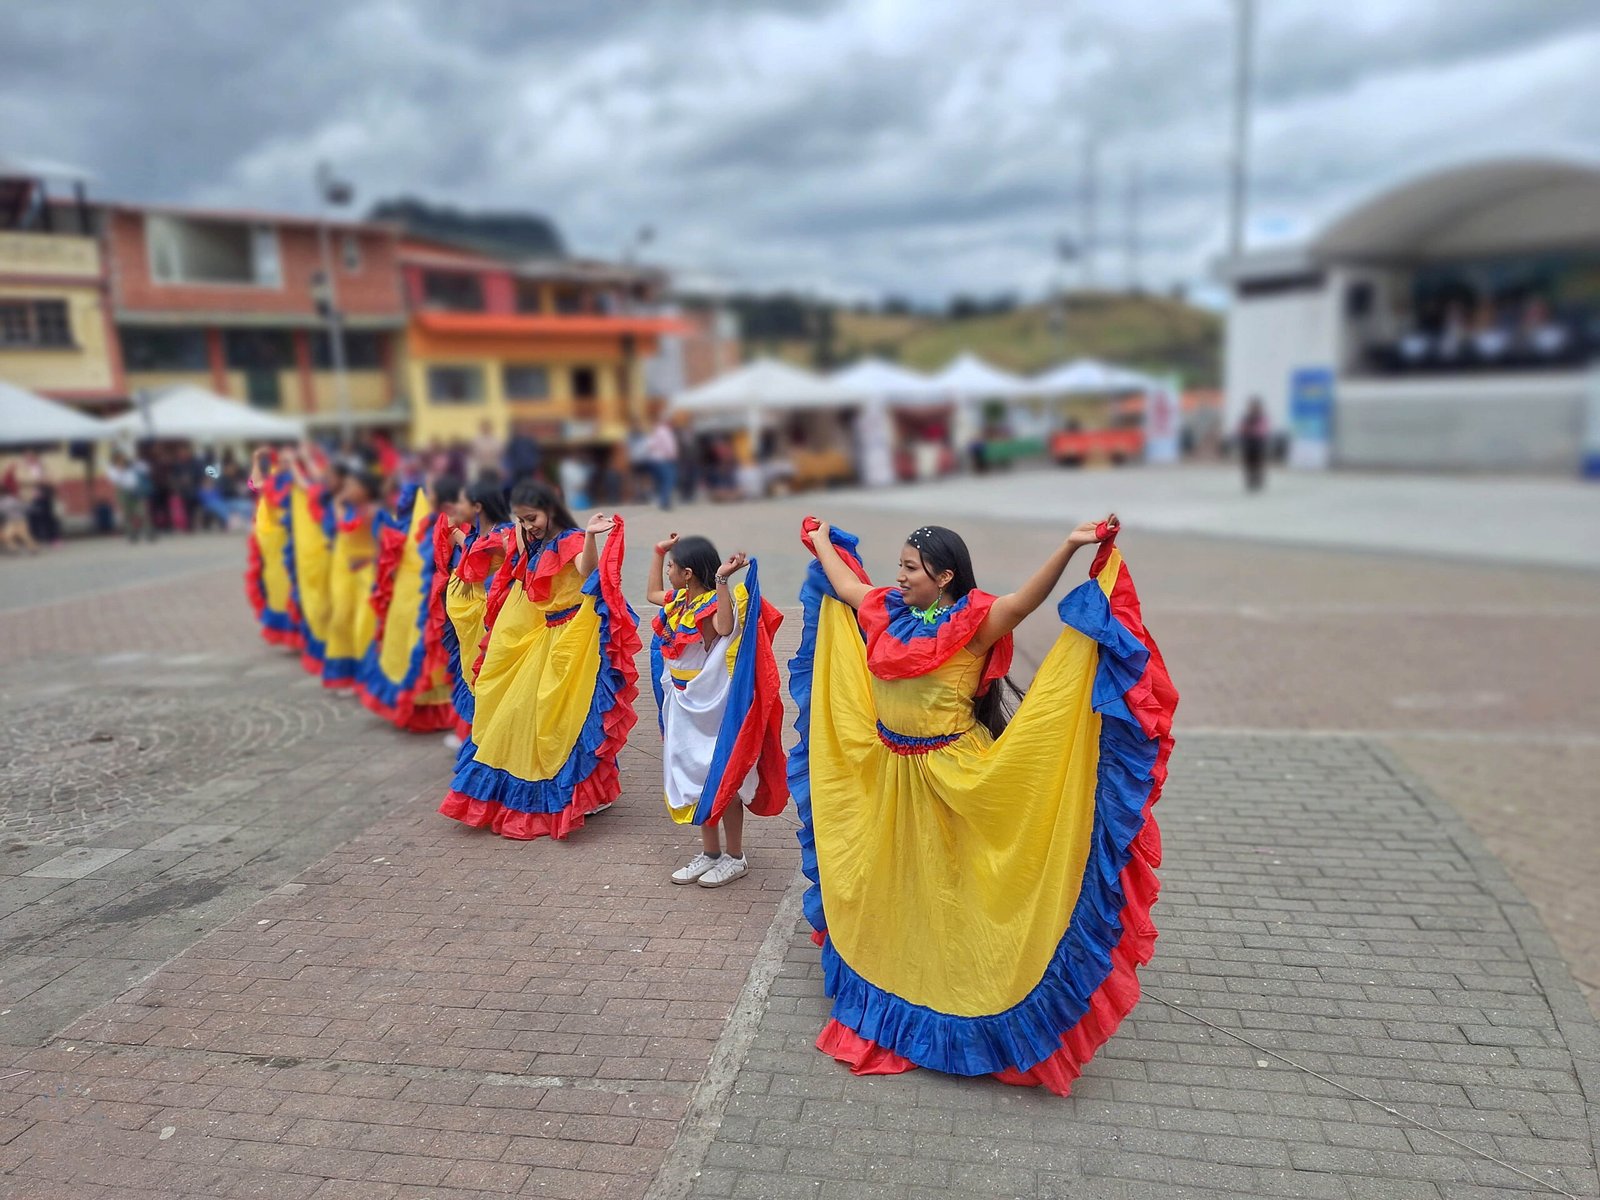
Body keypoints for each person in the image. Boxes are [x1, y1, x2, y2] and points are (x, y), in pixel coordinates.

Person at [789, 513, 1175, 1095]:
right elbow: (845, 587)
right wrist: (820, 540)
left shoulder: (973, 622)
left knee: (958, 887)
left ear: (944, 577)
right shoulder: (888, 612)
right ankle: (902, 977)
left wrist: (1070, 547)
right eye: (898, 566)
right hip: (892, 773)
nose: (899, 577)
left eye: (910, 569)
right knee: (902, 882)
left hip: (954, 776)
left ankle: (968, 994)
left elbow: (1024, 601)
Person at [439, 483, 639, 840]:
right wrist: (517, 524)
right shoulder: (532, 540)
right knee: (535, 714)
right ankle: (587, 793)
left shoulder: (572, 539)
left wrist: (592, 536)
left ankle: (585, 794)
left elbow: (586, 570)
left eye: (532, 517)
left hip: (575, 635)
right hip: (547, 635)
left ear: (551, 508)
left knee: (569, 715)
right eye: (521, 518)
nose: (527, 525)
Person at [646, 533, 787, 887]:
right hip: (681, 703)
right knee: (693, 779)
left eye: (671, 566)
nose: (667, 572)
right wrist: (657, 550)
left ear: (688, 573)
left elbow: (724, 627)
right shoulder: (679, 601)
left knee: (722, 777)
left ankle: (735, 856)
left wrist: (723, 580)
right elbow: (650, 595)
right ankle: (710, 854)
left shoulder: (710, 605)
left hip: (710, 708)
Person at [356, 474, 458, 732]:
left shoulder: (447, 519)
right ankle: (422, 706)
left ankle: (438, 709)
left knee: (425, 648)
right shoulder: (416, 513)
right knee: (410, 643)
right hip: (412, 593)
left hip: (429, 596)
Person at [440, 477, 514, 750]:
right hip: (471, 627)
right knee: (475, 680)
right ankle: (483, 740)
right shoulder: (480, 533)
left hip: (490, 626)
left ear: (478, 506)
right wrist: (456, 534)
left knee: (488, 681)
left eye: (461, 501)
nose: (455, 506)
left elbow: (493, 569)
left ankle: (494, 744)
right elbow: (472, 553)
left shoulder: (501, 537)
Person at [320, 468, 383, 689]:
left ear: (366, 490)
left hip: (369, 574)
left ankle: (368, 678)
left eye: (353, 485)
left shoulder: (373, 511)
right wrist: (339, 500)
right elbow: (342, 524)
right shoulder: (352, 510)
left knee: (364, 626)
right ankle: (346, 674)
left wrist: (339, 500)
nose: (348, 489)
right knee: (341, 619)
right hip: (351, 574)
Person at [245, 447, 301, 650]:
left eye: (289, 461)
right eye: (283, 461)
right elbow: (253, 486)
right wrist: (256, 460)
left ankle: (297, 634)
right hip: (269, 542)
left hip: (288, 541)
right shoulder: (275, 480)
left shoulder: (297, 482)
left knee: (289, 587)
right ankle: (286, 634)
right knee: (274, 586)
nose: (285, 465)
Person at [286, 449, 335, 676]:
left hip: (323, 550)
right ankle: (324, 644)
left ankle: (328, 646)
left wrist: (298, 461)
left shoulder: (324, 490)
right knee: (317, 596)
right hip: (315, 548)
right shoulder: (323, 488)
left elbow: (311, 485)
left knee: (323, 598)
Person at [105, 452, 151, 543]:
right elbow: (114, 480)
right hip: (123, 492)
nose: (122, 461)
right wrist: (120, 470)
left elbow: (146, 469)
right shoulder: (112, 469)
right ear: (115, 461)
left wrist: (136, 461)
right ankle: (131, 534)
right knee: (127, 514)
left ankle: (148, 532)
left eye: (123, 459)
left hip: (135, 490)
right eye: (119, 459)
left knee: (142, 511)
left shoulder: (132, 466)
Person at [0, 463, 38, 555]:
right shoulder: (13, 499)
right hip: (19, 520)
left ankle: (15, 548)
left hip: (13, 521)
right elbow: (24, 507)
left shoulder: (3, 502)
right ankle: (31, 548)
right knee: (24, 536)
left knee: (7, 536)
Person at [645, 412, 679, 510]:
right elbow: (669, 446)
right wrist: (672, 455)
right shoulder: (665, 431)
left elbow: (650, 445)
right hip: (664, 459)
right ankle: (665, 502)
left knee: (660, 481)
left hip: (655, 460)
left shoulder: (656, 431)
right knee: (668, 480)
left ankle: (662, 500)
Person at [1239, 397, 1269, 493]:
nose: (1252, 408)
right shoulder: (1246, 417)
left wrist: (1250, 430)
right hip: (1248, 443)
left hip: (1258, 443)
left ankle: (1258, 481)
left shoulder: (1261, 417)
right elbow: (1241, 429)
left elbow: (1261, 430)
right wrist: (1246, 430)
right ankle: (1250, 481)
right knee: (1248, 464)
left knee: (1258, 463)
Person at [504, 421, 542, 487]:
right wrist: (512, 466)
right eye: (522, 429)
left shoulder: (531, 441)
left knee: (529, 485)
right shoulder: (514, 441)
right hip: (517, 469)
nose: (523, 430)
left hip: (529, 468)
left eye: (525, 429)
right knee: (518, 485)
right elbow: (510, 454)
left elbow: (537, 453)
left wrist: (534, 463)